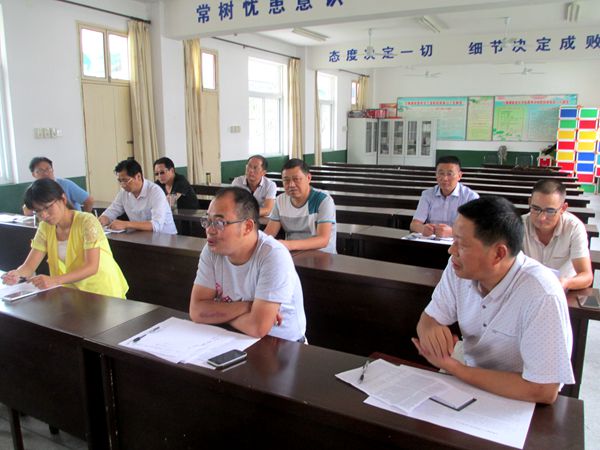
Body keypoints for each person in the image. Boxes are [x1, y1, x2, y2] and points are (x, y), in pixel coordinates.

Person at [413, 196, 574, 404]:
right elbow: (429, 318)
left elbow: (543, 390)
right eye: (453, 240)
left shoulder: (542, 294)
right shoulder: (458, 269)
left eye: (462, 244)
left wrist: (455, 368)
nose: (451, 251)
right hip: (470, 382)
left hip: (519, 400)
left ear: (498, 254)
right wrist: (430, 330)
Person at [189, 187, 306, 342]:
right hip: (234, 338)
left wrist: (218, 313)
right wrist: (248, 306)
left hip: (282, 346)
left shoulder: (273, 255)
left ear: (247, 227)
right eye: (208, 221)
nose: (210, 230)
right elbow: (197, 311)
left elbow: (258, 327)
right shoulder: (212, 250)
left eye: (219, 222)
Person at [2, 178, 128, 298]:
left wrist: (54, 280)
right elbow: (29, 267)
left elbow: (91, 267)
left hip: (102, 290)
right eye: (38, 211)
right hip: (73, 292)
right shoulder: (45, 227)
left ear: (63, 199)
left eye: (47, 207)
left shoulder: (87, 221)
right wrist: (16, 274)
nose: (44, 215)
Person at [522, 179, 593, 290]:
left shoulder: (574, 228)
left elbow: (586, 276)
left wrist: (565, 283)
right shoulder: (519, 225)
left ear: (563, 208)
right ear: (530, 202)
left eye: (550, 211)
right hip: (528, 288)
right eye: (536, 208)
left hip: (563, 290)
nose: (541, 218)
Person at [264, 159, 336, 253]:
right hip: (293, 253)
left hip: (322, 254)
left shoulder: (323, 200)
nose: (291, 185)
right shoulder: (280, 201)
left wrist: (289, 245)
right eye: (286, 180)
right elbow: (269, 233)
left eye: (296, 179)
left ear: (308, 178)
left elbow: (323, 240)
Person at [98, 159, 177, 234]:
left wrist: (126, 224)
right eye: (120, 181)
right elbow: (111, 212)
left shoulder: (155, 191)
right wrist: (102, 220)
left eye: (125, 180)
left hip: (165, 238)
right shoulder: (123, 193)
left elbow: (156, 225)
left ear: (138, 176)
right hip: (141, 237)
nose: (122, 185)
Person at [410, 156, 479, 238]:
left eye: (450, 174)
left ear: (459, 176)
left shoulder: (470, 197)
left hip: (459, 242)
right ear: (436, 174)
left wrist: (452, 232)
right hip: (431, 241)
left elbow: (476, 229)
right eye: (441, 173)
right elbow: (414, 224)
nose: (445, 178)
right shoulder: (427, 195)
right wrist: (423, 229)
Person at [23, 156, 94, 215]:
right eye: (40, 171)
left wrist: (84, 218)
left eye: (48, 169)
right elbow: (27, 210)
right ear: (33, 174)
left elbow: (89, 200)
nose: (46, 173)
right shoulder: (34, 189)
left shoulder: (65, 184)